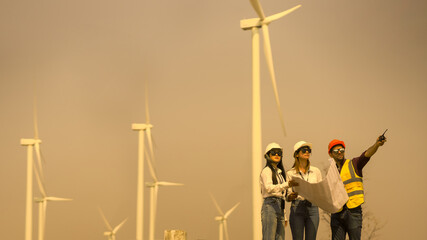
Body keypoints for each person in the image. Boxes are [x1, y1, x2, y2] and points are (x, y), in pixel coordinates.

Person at [328, 135, 387, 240]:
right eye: (336, 151)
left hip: (353, 212)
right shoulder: (330, 173)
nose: (340, 152)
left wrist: (376, 144)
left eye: (342, 149)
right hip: (337, 214)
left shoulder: (354, 163)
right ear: (331, 154)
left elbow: (367, 155)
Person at [260, 142, 298, 240]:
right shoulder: (266, 171)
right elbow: (269, 188)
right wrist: (287, 184)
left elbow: (281, 195)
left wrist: (284, 215)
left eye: (279, 153)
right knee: (269, 237)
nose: (277, 155)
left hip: (280, 208)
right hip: (270, 206)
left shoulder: (280, 173)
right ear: (267, 155)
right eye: (273, 152)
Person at [286, 141, 322, 240]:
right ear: (296, 154)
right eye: (304, 150)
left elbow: (320, 190)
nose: (307, 152)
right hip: (297, 206)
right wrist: (291, 196)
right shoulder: (290, 173)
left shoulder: (316, 171)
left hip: (313, 207)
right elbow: (287, 196)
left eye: (309, 150)